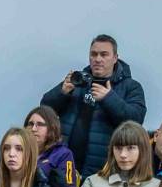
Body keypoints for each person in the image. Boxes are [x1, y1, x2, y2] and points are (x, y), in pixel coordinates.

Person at [41, 33, 145, 175]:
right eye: (94, 54)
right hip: (64, 164)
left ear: (115, 58)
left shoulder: (131, 87)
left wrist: (108, 98)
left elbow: (136, 121)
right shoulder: (78, 80)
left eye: (104, 55)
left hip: (102, 168)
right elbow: (44, 111)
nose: (98, 59)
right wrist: (62, 92)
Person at [69, 120, 158, 187]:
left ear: (143, 151)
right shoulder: (93, 181)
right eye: (118, 148)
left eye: (130, 148)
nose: (123, 155)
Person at [24, 105, 78, 187]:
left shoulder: (64, 154)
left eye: (40, 124)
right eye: (30, 124)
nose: (33, 129)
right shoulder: (18, 150)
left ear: (51, 128)